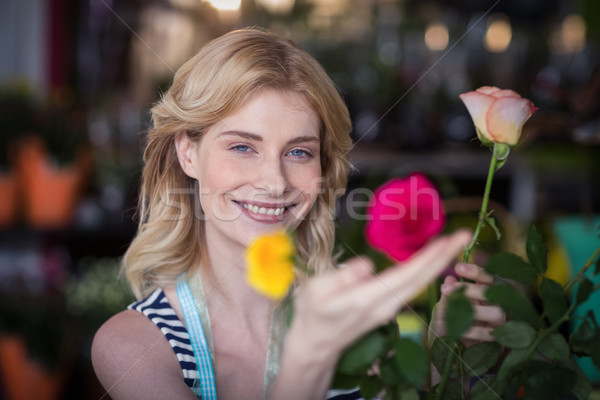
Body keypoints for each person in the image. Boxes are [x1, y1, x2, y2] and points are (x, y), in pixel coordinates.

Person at [91, 28, 503, 400]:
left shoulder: (364, 327)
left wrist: (439, 359)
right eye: (242, 146)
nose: (275, 182)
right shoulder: (134, 345)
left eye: (299, 152)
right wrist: (308, 357)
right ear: (188, 153)